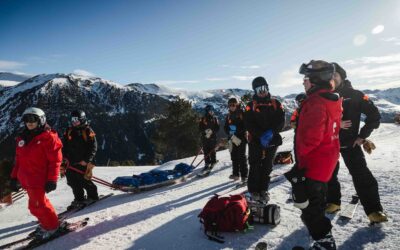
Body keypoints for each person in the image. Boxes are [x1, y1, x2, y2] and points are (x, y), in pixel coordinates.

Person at [287, 60, 342, 250]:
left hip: (314, 165)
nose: (303, 82)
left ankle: (325, 243)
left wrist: (299, 163)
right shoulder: (330, 98)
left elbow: (310, 138)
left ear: (316, 80)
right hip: (326, 162)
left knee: (310, 210)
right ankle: (323, 240)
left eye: (306, 78)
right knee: (316, 205)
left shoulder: (316, 103)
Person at [326, 62, 388, 223]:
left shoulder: (355, 94)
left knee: (362, 176)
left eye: (335, 75)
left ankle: (374, 211)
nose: (331, 79)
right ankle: (332, 202)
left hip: (350, 144)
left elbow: (374, 116)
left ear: (342, 76)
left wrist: (362, 136)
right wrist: (334, 123)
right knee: (328, 175)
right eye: (329, 76)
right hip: (329, 144)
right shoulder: (324, 96)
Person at [10, 107, 62, 240]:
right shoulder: (22, 138)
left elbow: (55, 161)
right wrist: (14, 178)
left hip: (39, 179)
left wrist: (52, 179)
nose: (29, 122)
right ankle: (48, 223)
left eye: (33, 119)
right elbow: (18, 161)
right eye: (26, 120)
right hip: (27, 180)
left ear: (41, 120)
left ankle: (52, 227)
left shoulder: (49, 138)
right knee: (39, 204)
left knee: (36, 206)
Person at [243, 76, 285, 202]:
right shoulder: (250, 106)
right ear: (255, 91)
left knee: (267, 166)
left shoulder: (276, 103)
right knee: (255, 165)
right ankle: (253, 190)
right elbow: (248, 123)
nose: (262, 91)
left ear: (267, 87)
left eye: (264, 88)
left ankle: (263, 190)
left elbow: (281, 120)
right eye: (258, 89)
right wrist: (261, 135)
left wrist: (271, 132)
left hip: (272, 139)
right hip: (255, 140)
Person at [62, 110, 98, 209]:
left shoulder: (87, 130)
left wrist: (86, 160)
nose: (74, 122)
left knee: (84, 180)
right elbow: (64, 146)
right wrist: (64, 158)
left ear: (82, 119)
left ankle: (93, 196)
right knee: (72, 181)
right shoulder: (69, 130)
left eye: (76, 120)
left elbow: (93, 147)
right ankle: (79, 198)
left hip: (84, 162)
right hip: (71, 162)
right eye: (72, 119)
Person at [223, 97, 248, 183]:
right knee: (234, 157)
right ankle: (236, 174)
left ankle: (244, 176)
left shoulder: (241, 114)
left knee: (241, 157)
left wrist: (236, 130)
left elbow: (245, 125)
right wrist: (229, 132)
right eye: (230, 105)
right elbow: (225, 127)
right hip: (232, 138)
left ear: (237, 105)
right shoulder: (228, 115)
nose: (232, 107)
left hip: (241, 138)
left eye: (234, 105)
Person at [199, 105, 220, 171]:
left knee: (212, 150)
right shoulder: (203, 119)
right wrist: (205, 132)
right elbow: (200, 128)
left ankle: (213, 161)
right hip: (205, 137)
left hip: (212, 137)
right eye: (210, 111)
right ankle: (207, 162)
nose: (212, 112)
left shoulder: (215, 118)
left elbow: (217, 127)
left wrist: (211, 132)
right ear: (207, 111)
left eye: (212, 111)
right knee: (206, 150)